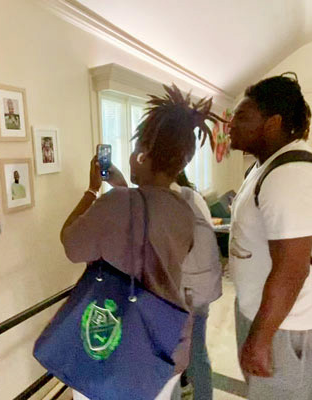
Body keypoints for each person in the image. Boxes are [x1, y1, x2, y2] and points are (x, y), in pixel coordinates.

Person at [60, 84, 222, 400]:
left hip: (119, 343)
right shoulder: (183, 207)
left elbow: (70, 243)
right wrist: (121, 186)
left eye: (137, 152)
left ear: (143, 154)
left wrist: (93, 191)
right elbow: (145, 218)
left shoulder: (118, 203)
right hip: (166, 341)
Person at [228, 73, 312, 400]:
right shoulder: (265, 166)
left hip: (289, 325)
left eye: (243, 117)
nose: (231, 124)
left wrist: (260, 339)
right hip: (268, 316)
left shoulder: (290, 175)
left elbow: (292, 269)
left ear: (272, 122)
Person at [171, 172, 214, 400]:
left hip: (177, 296)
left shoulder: (166, 200)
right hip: (198, 293)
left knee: (172, 361)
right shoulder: (194, 197)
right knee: (197, 353)